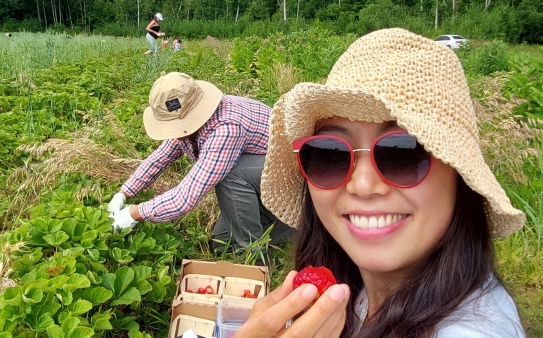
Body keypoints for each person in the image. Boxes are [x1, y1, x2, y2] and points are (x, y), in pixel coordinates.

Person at [236, 28, 526, 337]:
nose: (361, 184)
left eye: (403, 153)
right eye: (329, 155)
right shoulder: (357, 293)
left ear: (461, 177)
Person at [107, 72, 295, 253]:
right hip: (263, 181)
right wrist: (123, 193)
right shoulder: (189, 122)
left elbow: (185, 197)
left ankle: (255, 250)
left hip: (292, 178)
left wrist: (135, 213)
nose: (173, 131)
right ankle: (281, 222)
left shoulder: (226, 128)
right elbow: (159, 159)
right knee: (221, 242)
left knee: (231, 175)